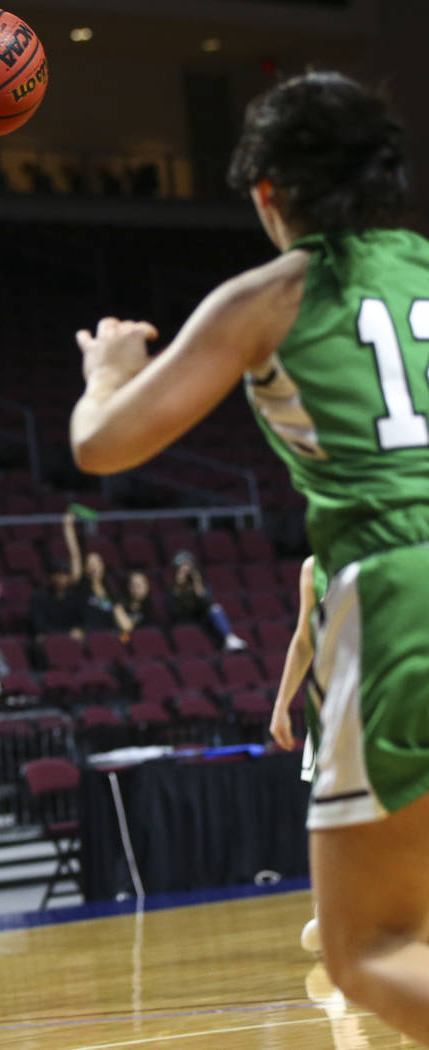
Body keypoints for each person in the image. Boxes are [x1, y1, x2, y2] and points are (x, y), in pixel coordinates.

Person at [69, 70, 429, 1043]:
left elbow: (101, 447)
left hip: (400, 590)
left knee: (365, 949)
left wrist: (106, 371)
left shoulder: (268, 295)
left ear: (266, 193)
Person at [269, 553, 327, 955]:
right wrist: (281, 703)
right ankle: (329, 919)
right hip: (332, 706)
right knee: (329, 818)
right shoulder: (313, 568)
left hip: (393, 701)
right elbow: (305, 640)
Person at [165, 550, 246, 650]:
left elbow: (208, 603)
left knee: (215, 608)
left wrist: (197, 585)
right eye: (182, 569)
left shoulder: (198, 585)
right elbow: (174, 610)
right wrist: (178, 585)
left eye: (188, 568)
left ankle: (229, 638)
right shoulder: (171, 589)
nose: (185, 572)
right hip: (182, 620)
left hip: (200, 618)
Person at [62, 510, 118, 630]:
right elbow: (75, 554)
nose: (94, 567)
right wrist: (68, 526)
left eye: (97, 563)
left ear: (102, 566)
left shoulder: (110, 588)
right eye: (90, 564)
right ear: (85, 568)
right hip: (90, 637)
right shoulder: (81, 584)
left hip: (109, 637)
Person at [113, 570, 154, 636]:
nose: (136, 589)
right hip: (125, 639)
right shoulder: (121, 605)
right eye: (132, 585)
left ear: (147, 586)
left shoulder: (152, 605)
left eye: (139, 586)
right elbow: (127, 628)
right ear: (128, 587)